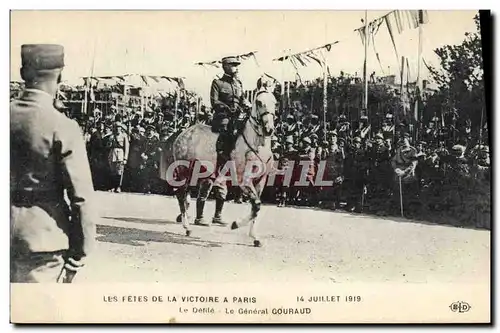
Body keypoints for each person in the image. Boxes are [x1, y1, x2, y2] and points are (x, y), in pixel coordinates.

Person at [11, 44, 96, 283]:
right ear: (60, 75)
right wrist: (79, 252)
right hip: (43, 243)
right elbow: (81, 198)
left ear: (22, 73)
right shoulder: (63, 126)